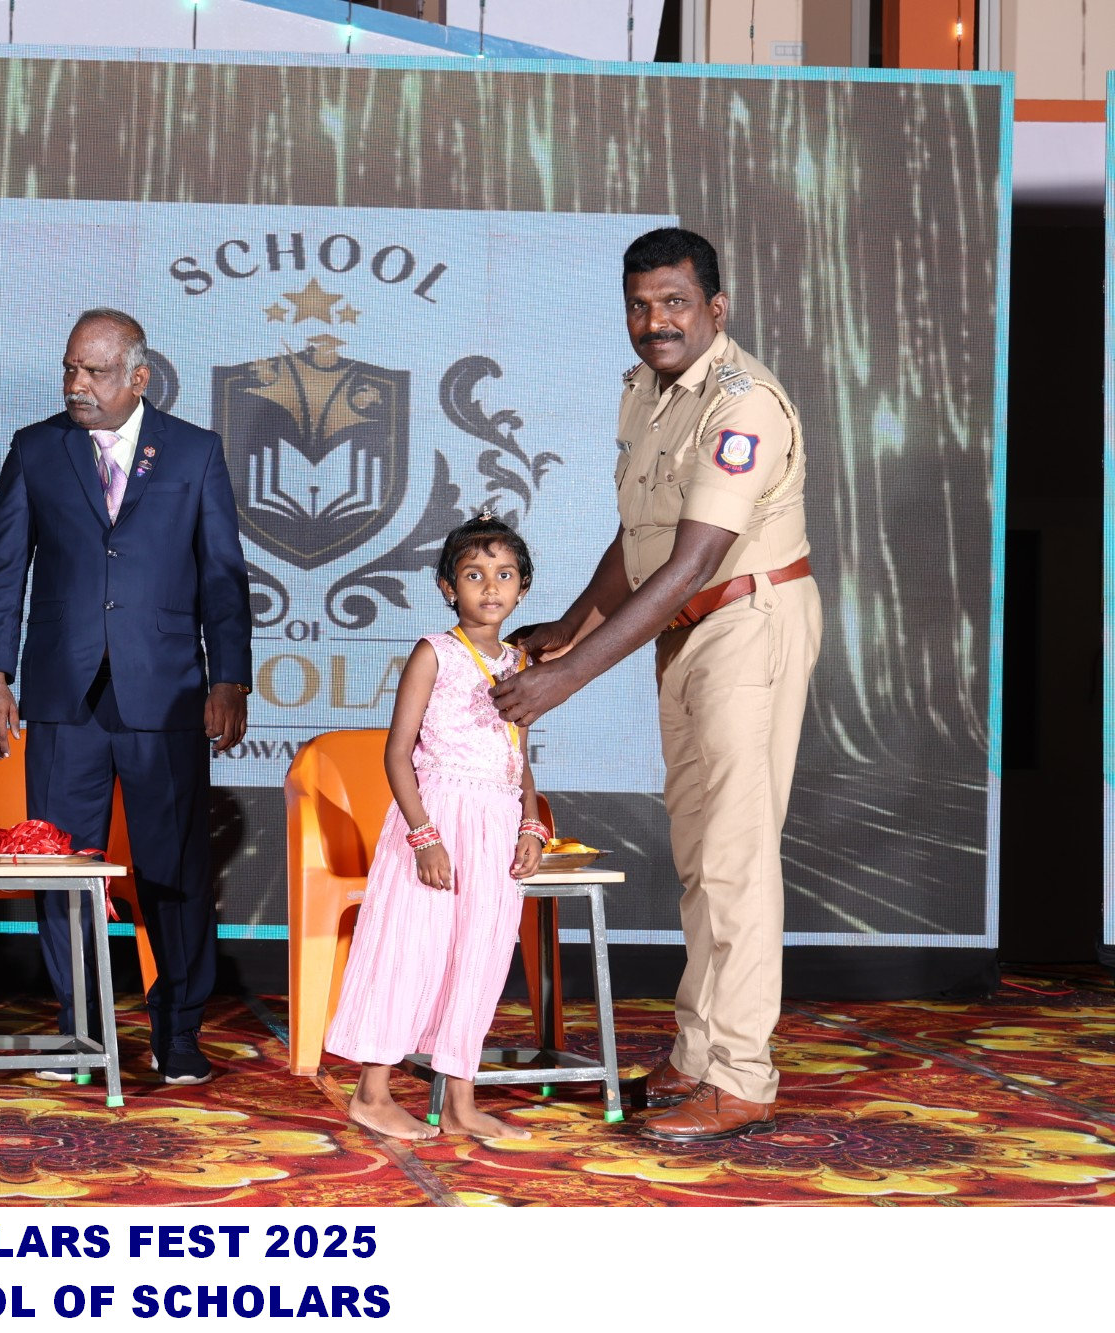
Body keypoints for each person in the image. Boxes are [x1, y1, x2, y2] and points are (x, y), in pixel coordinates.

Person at [490, 227, 820, 1143]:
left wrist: (570, 677)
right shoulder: (647, 388)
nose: (655, 321)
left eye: (675, 302)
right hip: (688, 631)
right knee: (700, 853)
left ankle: (742, 1075)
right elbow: (640, 536)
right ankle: (698, 1053)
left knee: (736, 855)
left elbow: (692, 561)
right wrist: (569, 625)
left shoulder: (743, 406)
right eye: (639, 305)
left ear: (716, 307)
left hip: (745, 620)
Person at [0, 308, 253, 1086]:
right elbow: (4, 570)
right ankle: (81, 1031)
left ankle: (179, 1031)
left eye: (93, 372)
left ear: (138, 377)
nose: (76, 384)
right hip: (63, 695)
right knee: (64, 868)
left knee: (175, 869)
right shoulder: (36, 449)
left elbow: (223, 575)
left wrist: (230, 677)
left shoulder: (194, 452)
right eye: (70, 368)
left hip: (166, 693)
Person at [324, 516, 546, 1142]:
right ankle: (372, 1094)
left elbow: (518, 755)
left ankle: (458, 1103)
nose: (490, 587)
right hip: (436, 820)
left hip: (497, 823)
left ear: (523, 588)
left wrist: (531, 822)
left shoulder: (522, 663)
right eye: (474, 575)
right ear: (448, 587)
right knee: (410, 951)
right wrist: (424, 836)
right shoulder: (435, 653)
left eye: (504, 575)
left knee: (480, 957)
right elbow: (398, 753)